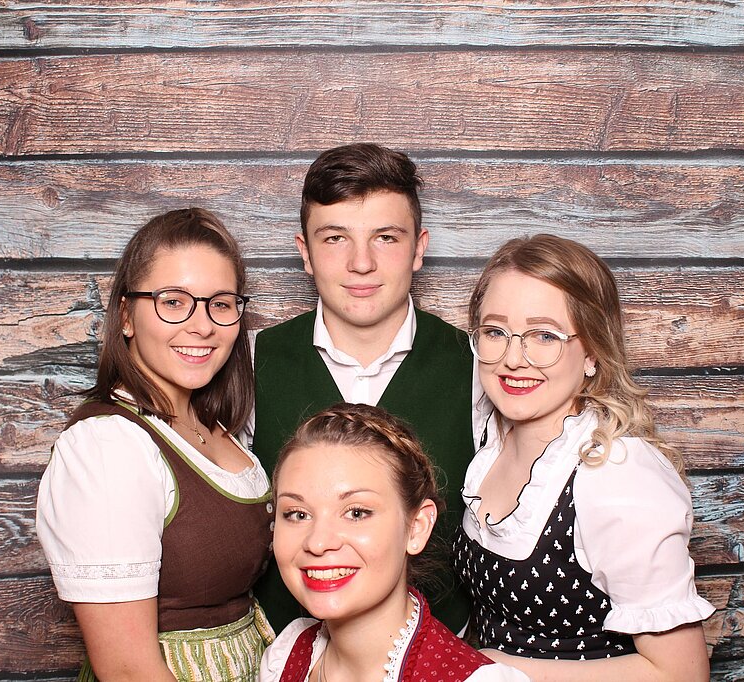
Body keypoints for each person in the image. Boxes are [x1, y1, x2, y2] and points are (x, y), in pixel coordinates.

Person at [452, 235, 715, 680]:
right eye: (495, 332)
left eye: (545, 335)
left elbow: (682, 674)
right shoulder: (488, 437)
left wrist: (495, 668)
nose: (513, 359)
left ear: (592, 350)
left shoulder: (616, 473)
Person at [37, 208, 275, 681]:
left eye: (220, 304)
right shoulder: (107, 445)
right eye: (173, 301)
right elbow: (128, 669)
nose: (202, 325)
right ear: (127, 315)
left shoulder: (213, 426)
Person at [251, 143, 479, 631]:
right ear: (305, 253)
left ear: (419, 248)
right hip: (282, 650)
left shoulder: (480, 364)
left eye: (386, 238)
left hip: (443, 650)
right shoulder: (248, 361)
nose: (361, 263)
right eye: (335, 238)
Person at [260, 403, 529, 682]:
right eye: (298, 514)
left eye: (356, 513)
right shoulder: (285, 654)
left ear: (416, 528)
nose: (317, 543)